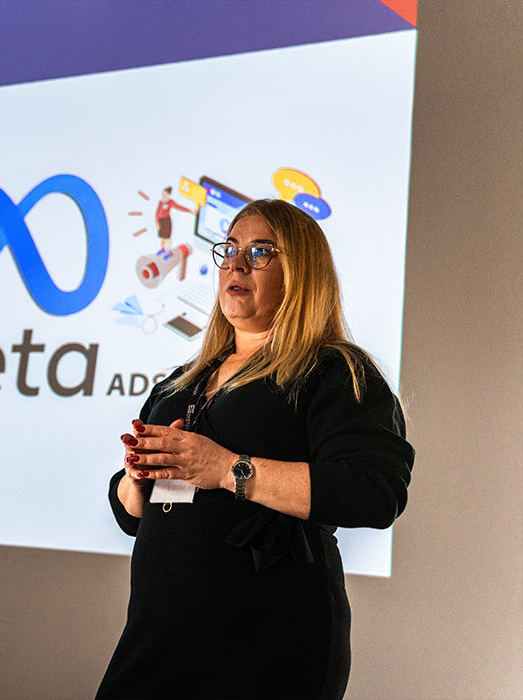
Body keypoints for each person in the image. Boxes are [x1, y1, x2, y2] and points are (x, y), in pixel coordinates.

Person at [96, 198, 413, 700]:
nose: (237, 264)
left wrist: (226, 469)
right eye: (230, 249)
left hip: (269, 646)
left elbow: (374, 492)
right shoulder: (178, 384)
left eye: (261, 251)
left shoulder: (334, 372)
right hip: (156, 641)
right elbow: (132, 514)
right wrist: (137, 479)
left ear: (302, 273)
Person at [155, 185, 194, 253]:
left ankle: (168, 250)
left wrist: (190, 211)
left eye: (165, 195)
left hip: (167, 221)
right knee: (162, 236)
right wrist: (157, 222)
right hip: (161, 221)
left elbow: (179, 207)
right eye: (163, 194)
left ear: (168, 195)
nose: (163, 196)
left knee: (167, 237)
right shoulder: (160, 203)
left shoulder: (170, 202)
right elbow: (157, 212)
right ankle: (162, 248)